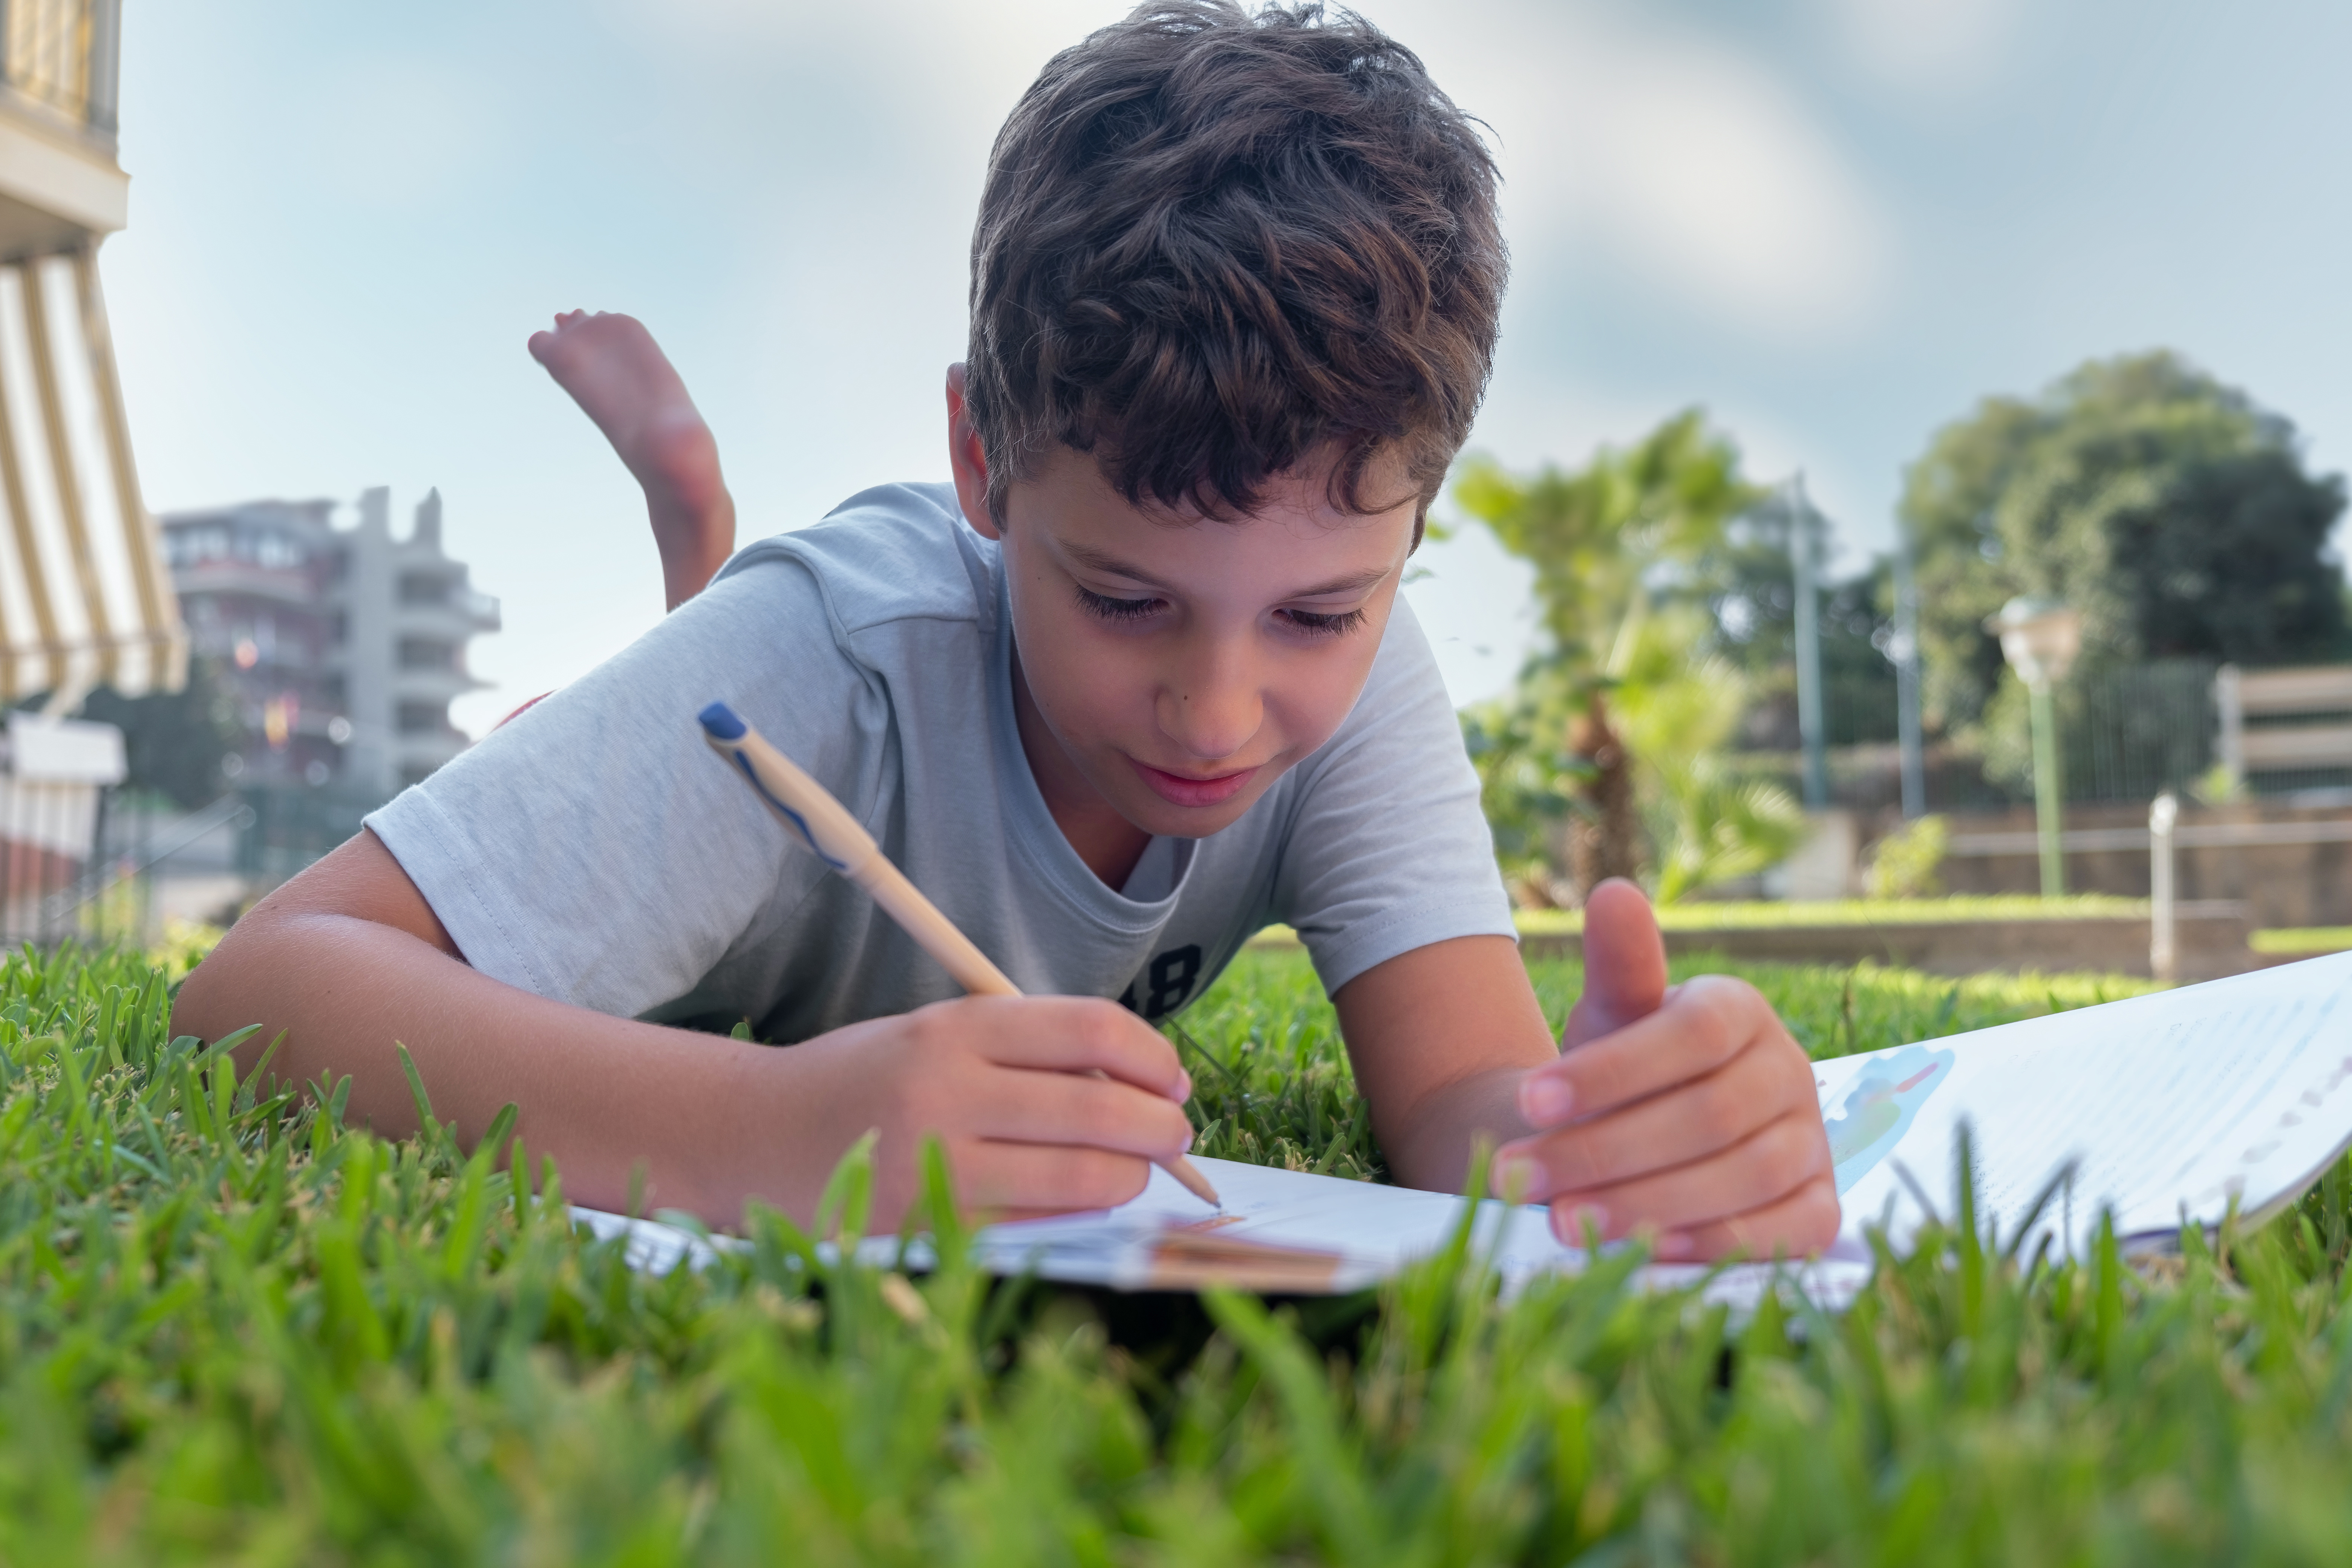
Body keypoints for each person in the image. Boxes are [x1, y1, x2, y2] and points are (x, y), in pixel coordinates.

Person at [174, 0, 1837, 1262]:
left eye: (1324, 608)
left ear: (1416, 522)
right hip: (706, 806)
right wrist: (776, 1126)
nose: (1218, 709)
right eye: (1124, 598)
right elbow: (258, 992)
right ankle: (674, 550)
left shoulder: (1371, 687)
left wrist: (1599, 1138)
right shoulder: (824, 657)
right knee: (648, 707)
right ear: (982, 460)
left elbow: (1465, 1105)